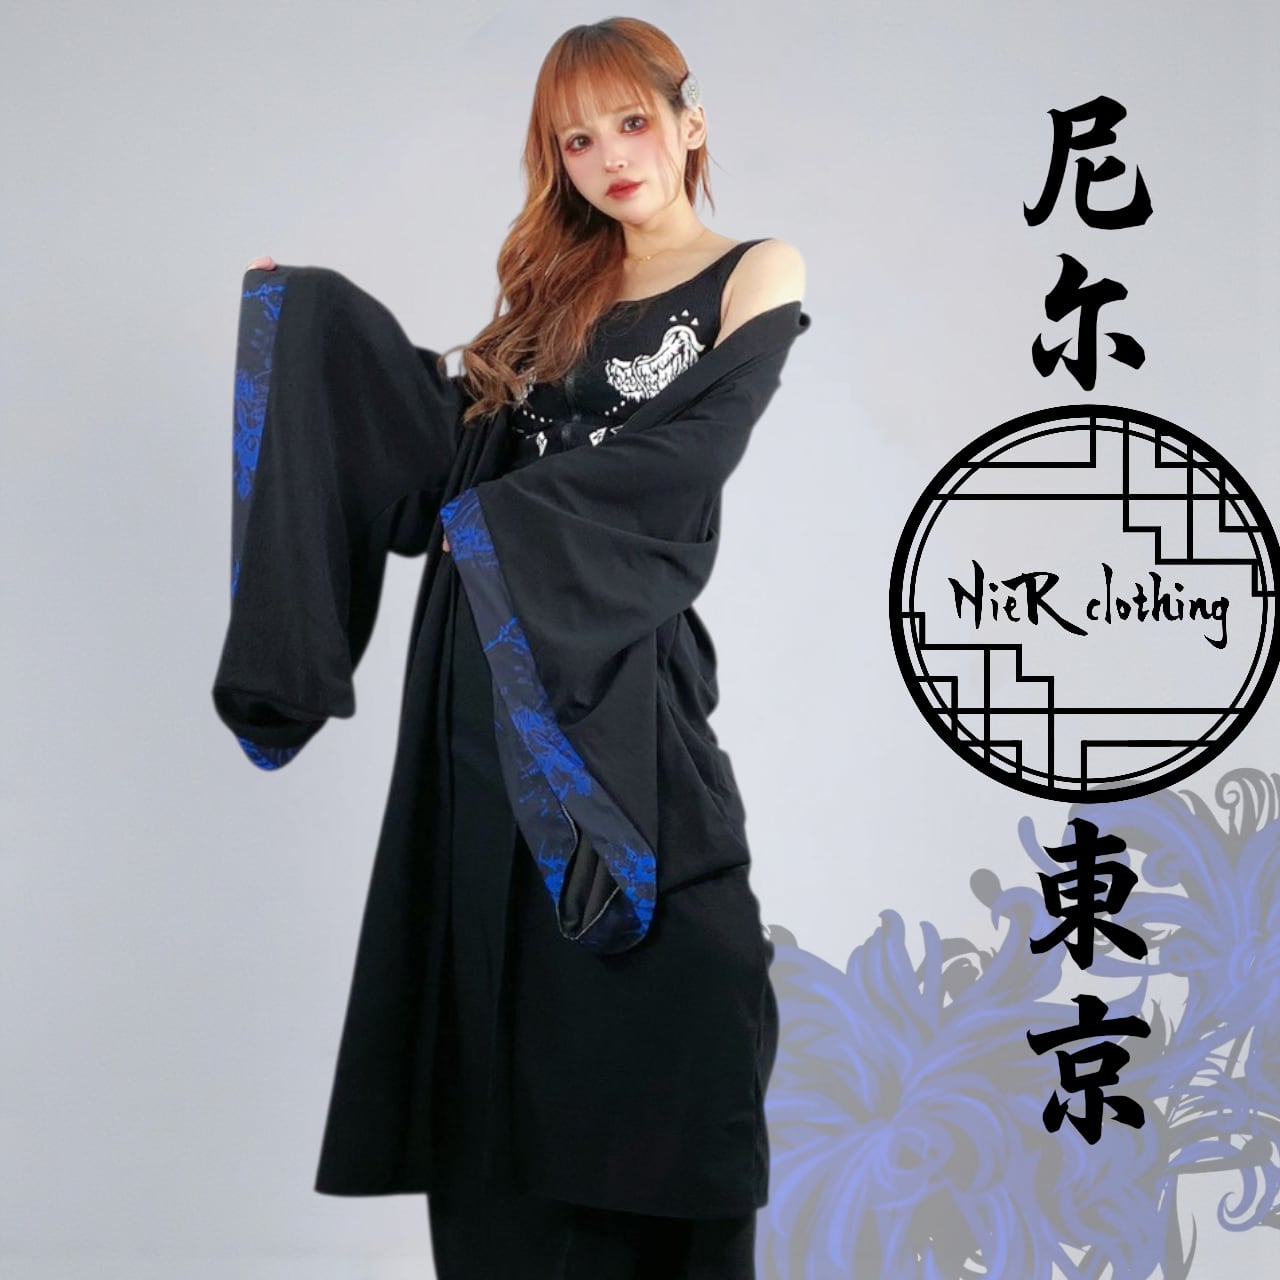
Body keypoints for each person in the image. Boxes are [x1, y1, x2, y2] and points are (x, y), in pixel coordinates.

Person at [236, 16, 804, 1279]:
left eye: (631, 121)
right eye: (575, 139)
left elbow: (686, 458)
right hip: (483, 678)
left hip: (616, 674)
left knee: (690, 990)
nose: (610, 157)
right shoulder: (557, 295)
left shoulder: (751, 270)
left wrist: (495, 524)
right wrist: (312, 335)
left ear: (689, 121)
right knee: (499, 1011)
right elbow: (448, 447)